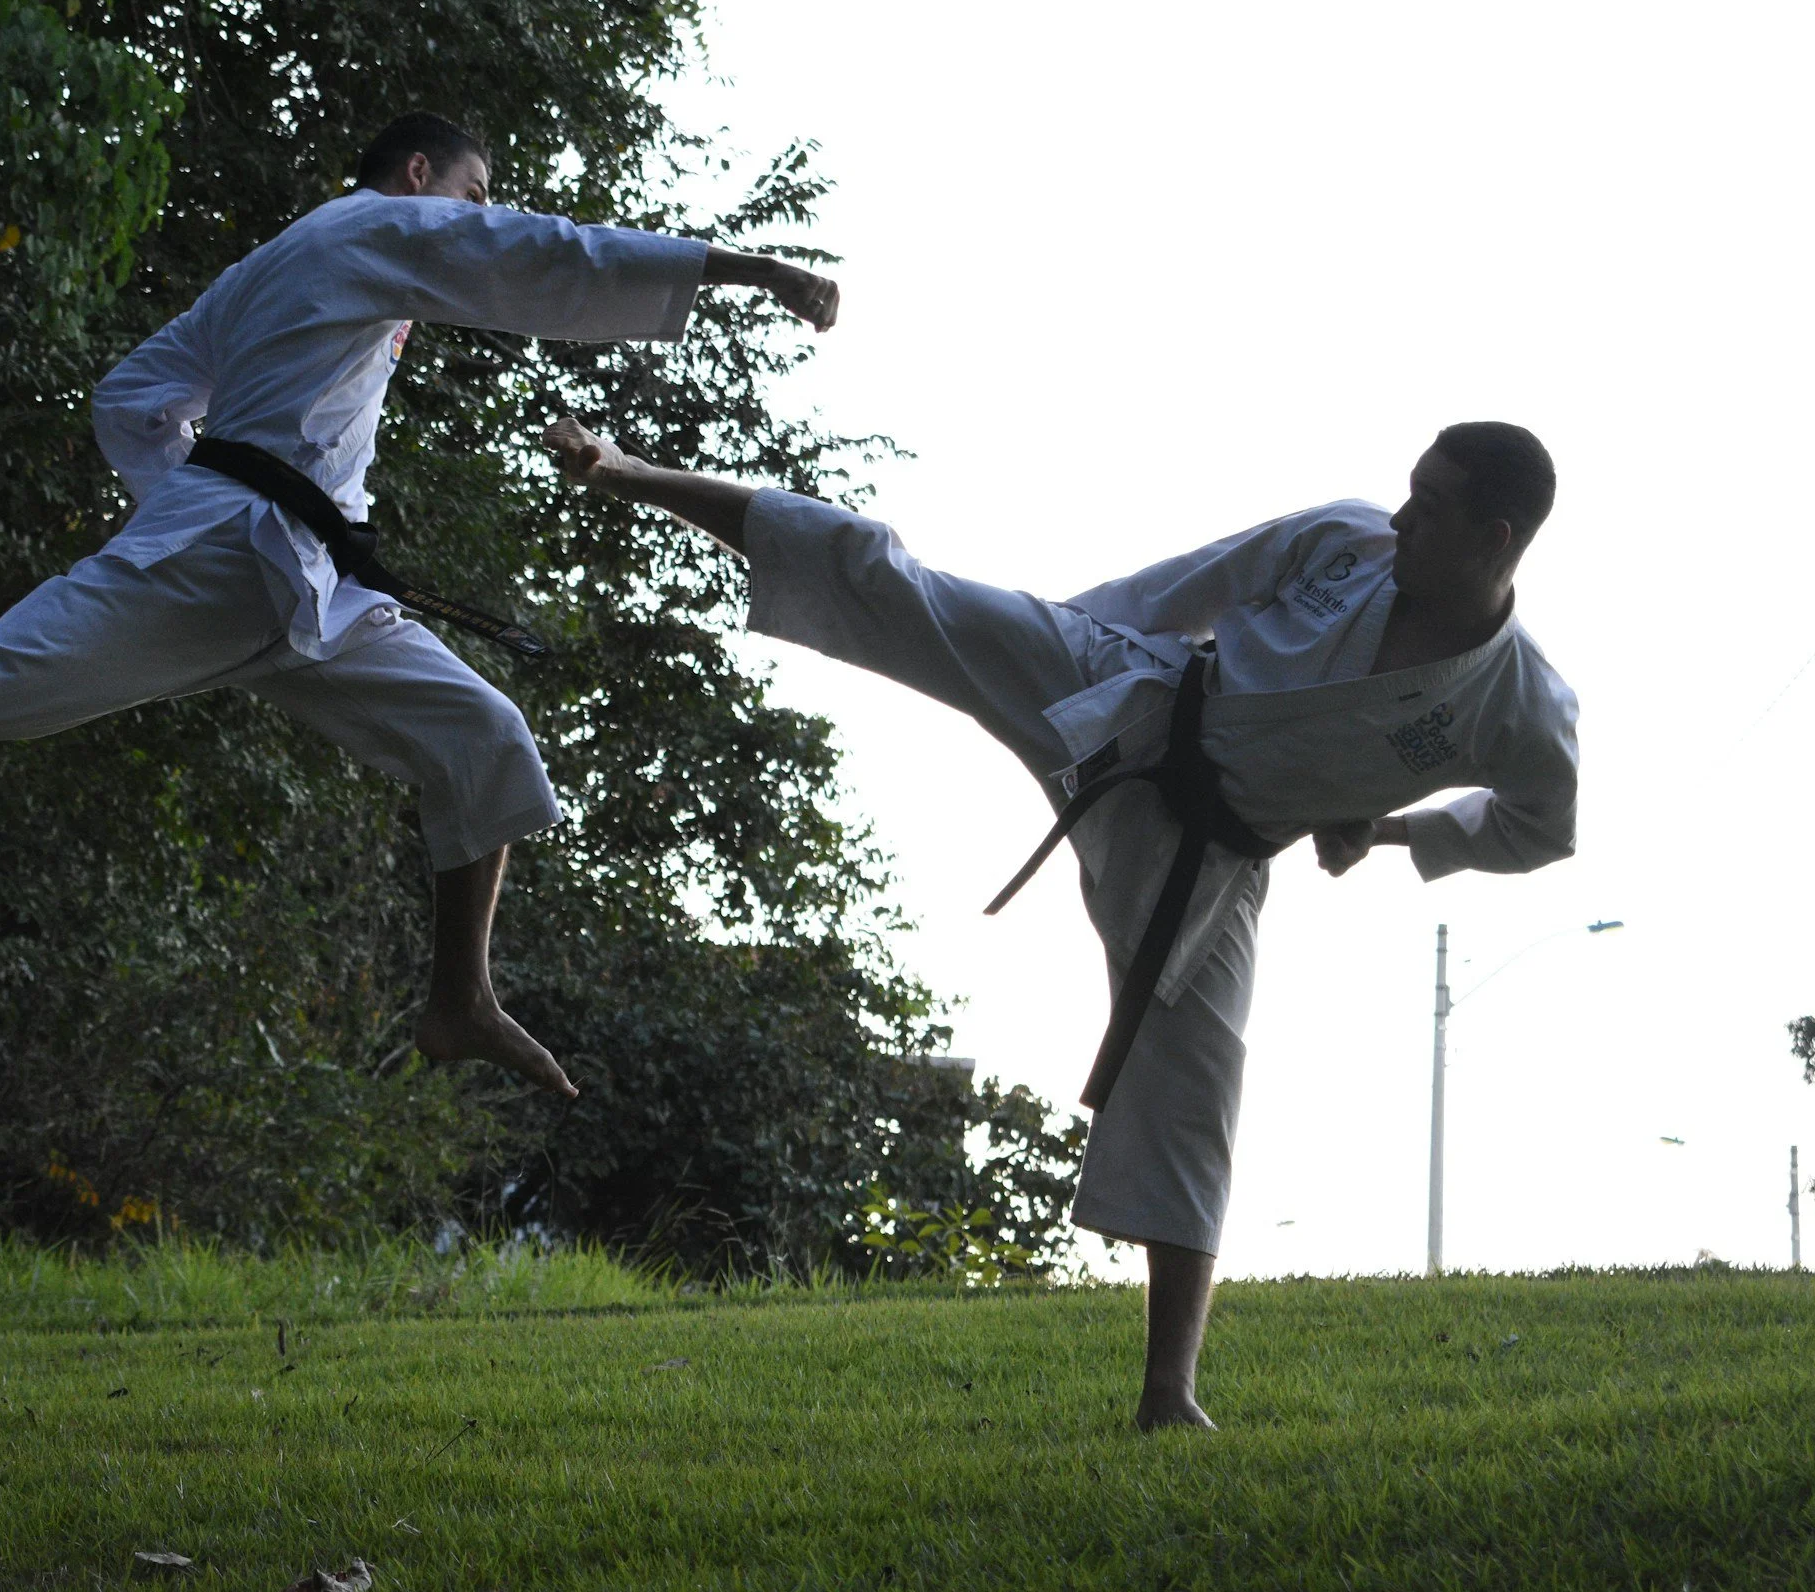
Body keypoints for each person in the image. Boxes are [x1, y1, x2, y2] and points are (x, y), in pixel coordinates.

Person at [0, 112, 841, 1099]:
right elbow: (547, 253)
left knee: (485, 737)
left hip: (312, 581)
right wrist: (744, 267)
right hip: (227, 554)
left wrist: (216, 489)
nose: (479, 214)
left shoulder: (275, 263)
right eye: (471, 190)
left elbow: (131, 395)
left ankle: (460, 998)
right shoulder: (373, 225)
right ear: (418, 172)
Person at [541, 413, 1578, 1427]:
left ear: (1495, 539)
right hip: (1130, 692)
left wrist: (1383, 829)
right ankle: (632, 472)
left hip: (1213, 849)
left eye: (1429, 510)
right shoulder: (1346, 538)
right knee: (887, 576)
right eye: (1407, 492)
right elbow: (1188, 587)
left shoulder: (1523, 706)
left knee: (1195, 1089)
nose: (1400, 518)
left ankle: (1167, 1391)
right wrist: (1046, 643)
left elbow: (1536, 828)